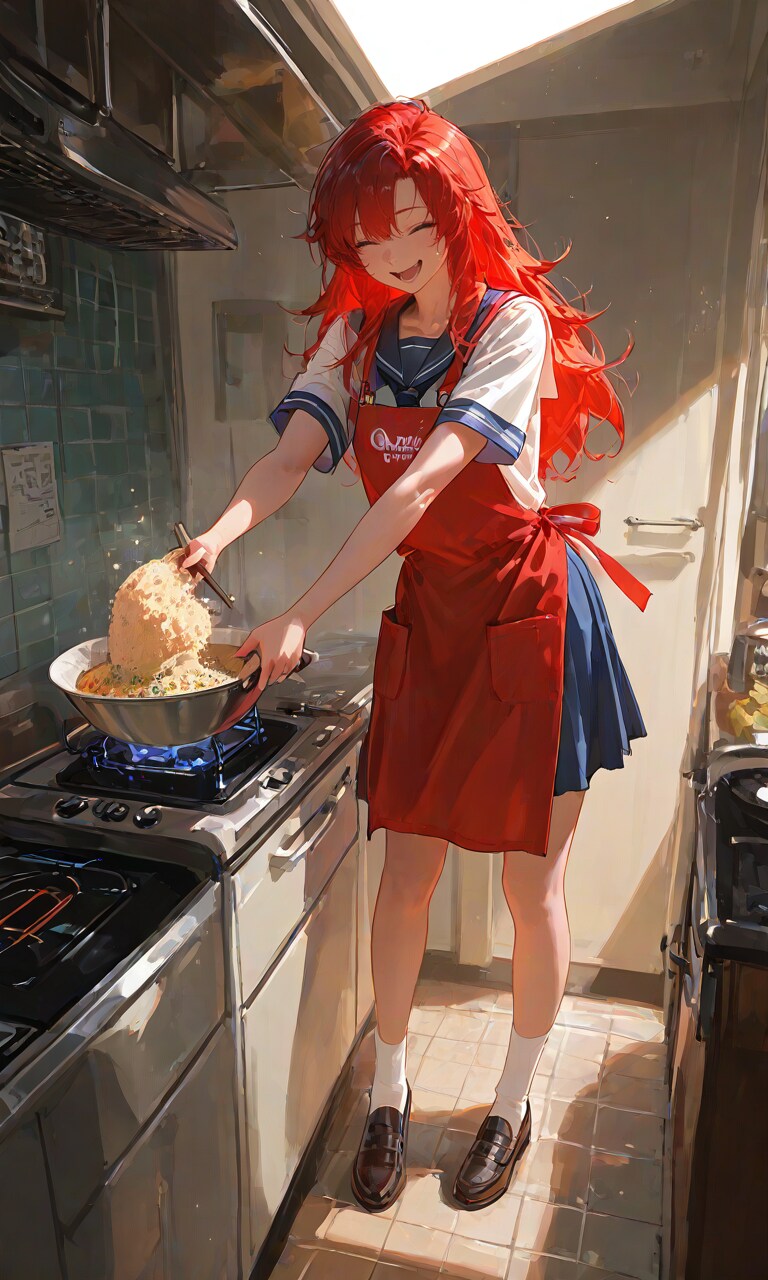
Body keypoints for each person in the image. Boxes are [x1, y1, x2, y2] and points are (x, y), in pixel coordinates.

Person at [182, 99, 649, 1214]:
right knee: (404, 880)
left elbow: (428, 481)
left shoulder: (509, 324)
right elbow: (291, 456)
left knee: (531, 884)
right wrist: (217, 536)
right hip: (433, 616)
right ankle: (389, 1090)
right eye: (367, 234)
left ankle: (512, 1101)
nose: (391, 252)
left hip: (530, 615)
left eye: (413, 224)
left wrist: (302, 609)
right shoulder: (358, 335)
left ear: (458, 209)